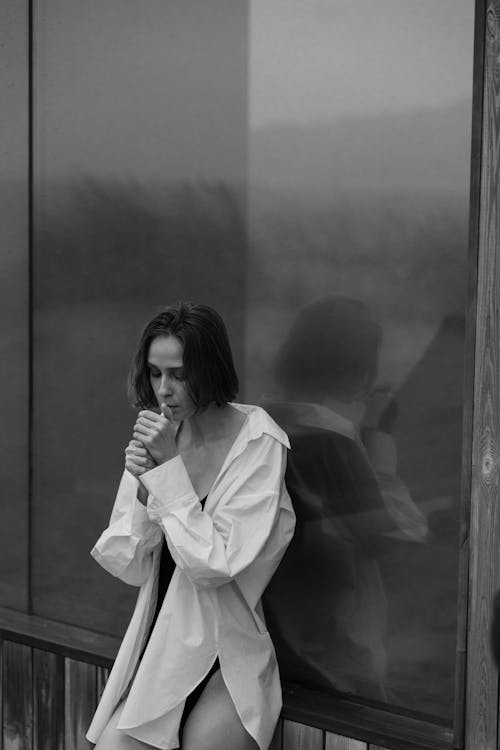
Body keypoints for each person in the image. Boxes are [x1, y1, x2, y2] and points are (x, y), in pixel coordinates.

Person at [86, 302, 295, 750]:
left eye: (179, 374)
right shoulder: (163, 431)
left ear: (211, 368)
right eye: (156, 373)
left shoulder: (258, 441)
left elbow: (215, 566)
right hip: (160, 651)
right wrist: (144, 492)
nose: (165, 390)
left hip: (226, 655)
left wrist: (166, 475)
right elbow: (130, 566)